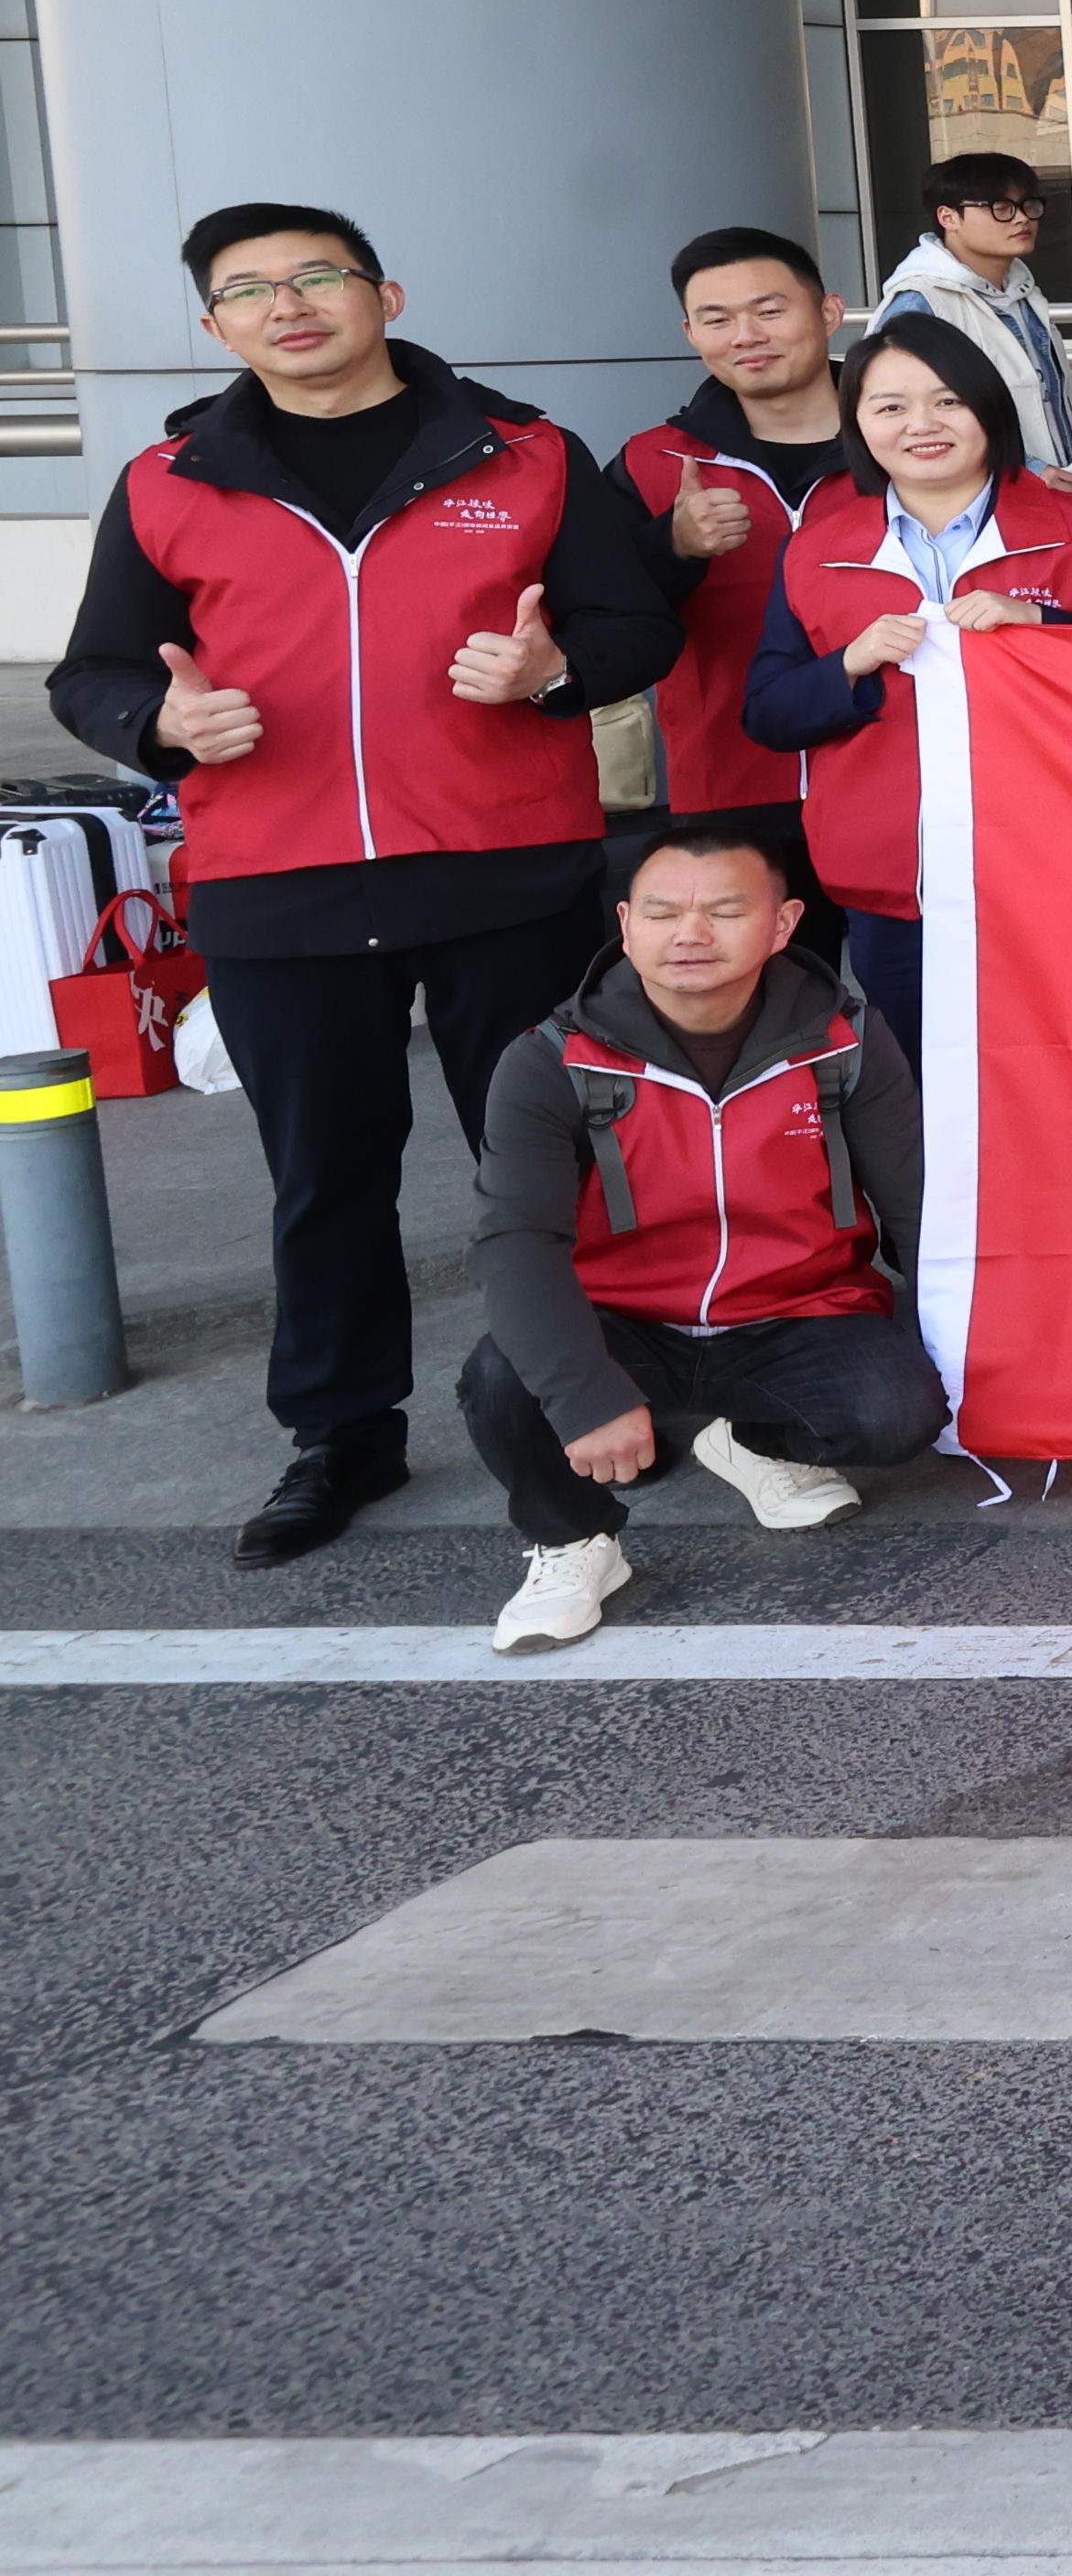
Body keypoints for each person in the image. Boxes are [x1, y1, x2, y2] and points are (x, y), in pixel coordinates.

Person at [46, 204, 686, 1568]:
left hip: (504, 865)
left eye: (318, 276)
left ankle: (592, 1393)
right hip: (276, 881)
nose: (288, 305)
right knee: (324, 1177)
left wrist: (555, 673)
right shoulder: (168, 481)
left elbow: (636, 623)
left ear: (385, 295)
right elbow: (93, 671)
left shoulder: (525, 456)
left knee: (550, 1157)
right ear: (214, 324)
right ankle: (342, 1434)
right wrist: (160, 725)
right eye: (249, 290)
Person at [453, 817, 954, 1655]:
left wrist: (986, 1351)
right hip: (622, 1321)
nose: (690, 933)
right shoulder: (549, 1059)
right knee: (504, 1380)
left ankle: (751, 1442)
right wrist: (586, 1395)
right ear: (625, 925)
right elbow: (515, 1242)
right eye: (662, 912)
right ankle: (573, 1540)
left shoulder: (846, 1040)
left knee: (899, 1410)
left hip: (798, 1311)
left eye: (725, 910)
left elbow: (915, 1207)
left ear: (784, 924)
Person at [740, 315, 1072, 1041]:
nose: (921, 424)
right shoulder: (815, 552)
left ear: (987, 408)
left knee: (1067, 1070)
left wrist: (1044, 627)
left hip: (1062, 867)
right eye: (890, 406)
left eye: (947, 400)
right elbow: (769, 714)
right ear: (857, 423)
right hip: (893, 879)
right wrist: (849, 664)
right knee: (922, 1076)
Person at [621, 226, 855, 866]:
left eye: (769, 311)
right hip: (729, 786)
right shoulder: (652, 460)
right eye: (717, 319)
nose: (745, 336)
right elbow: (610, 620)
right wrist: (673, 547)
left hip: (898, 774)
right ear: (691, 334)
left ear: (829, 313)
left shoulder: (908, 445)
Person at [872, 145, 1072, 480]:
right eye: (1001, 208)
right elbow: (905, 418)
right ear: (948, 217)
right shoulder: (921, 304)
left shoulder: (1021, 293)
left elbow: (1042, 396)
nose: (1021, 218)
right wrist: (1029, 470)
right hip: (980, 495)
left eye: (1028, 205)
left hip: (1050, 488)